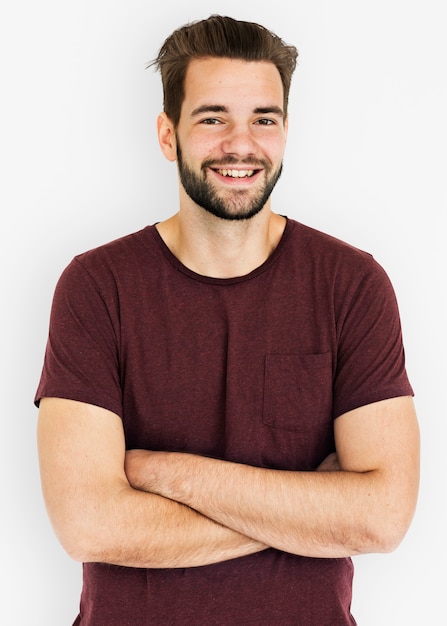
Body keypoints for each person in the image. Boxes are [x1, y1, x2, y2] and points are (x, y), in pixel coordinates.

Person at [35, 14, 420, 626]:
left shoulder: (352, 285)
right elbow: (88, 526)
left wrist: (161, 473)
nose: (241, 145)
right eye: (212, 118)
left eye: (263, 119)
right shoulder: (96, 287)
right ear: (168, 135)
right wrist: (307, 508)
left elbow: (383, 517)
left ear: (286, 132)